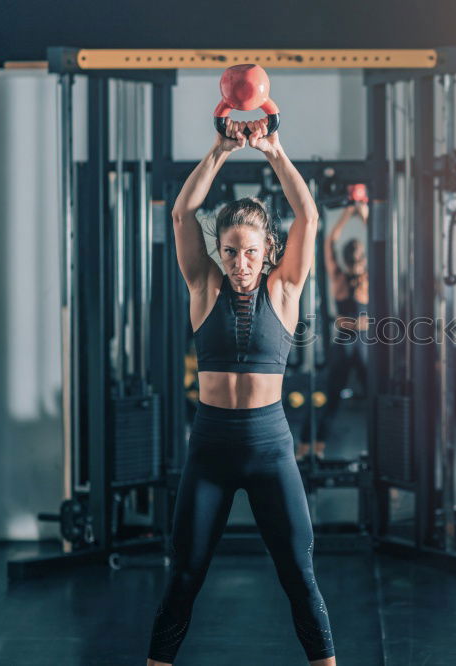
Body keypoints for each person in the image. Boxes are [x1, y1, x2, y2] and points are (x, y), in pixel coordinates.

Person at [146, 118, 335, 665]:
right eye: (230, 251)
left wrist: (275, 153)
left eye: (250, 251)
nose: (240, 262)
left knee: (300, 576)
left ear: (267, 250)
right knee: (184, 577)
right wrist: (220, 150)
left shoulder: (286, 287)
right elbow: (182, 214)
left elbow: (309, 215)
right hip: (210, 452)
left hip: (271, 450)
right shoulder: (204, 286)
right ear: (220, 252)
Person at [296, 202, 369, 461]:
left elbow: (383, 243)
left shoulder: (367, 279)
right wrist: (352, 215)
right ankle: (308, 447)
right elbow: (329, 244)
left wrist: (361, 216)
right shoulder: (340, 276)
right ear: (353, 258)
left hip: (361, 344)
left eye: (359, 255)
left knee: (375, 400)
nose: (358, 259)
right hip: (347, 344)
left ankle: (383, 454)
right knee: (331, 399)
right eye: (356, 255)